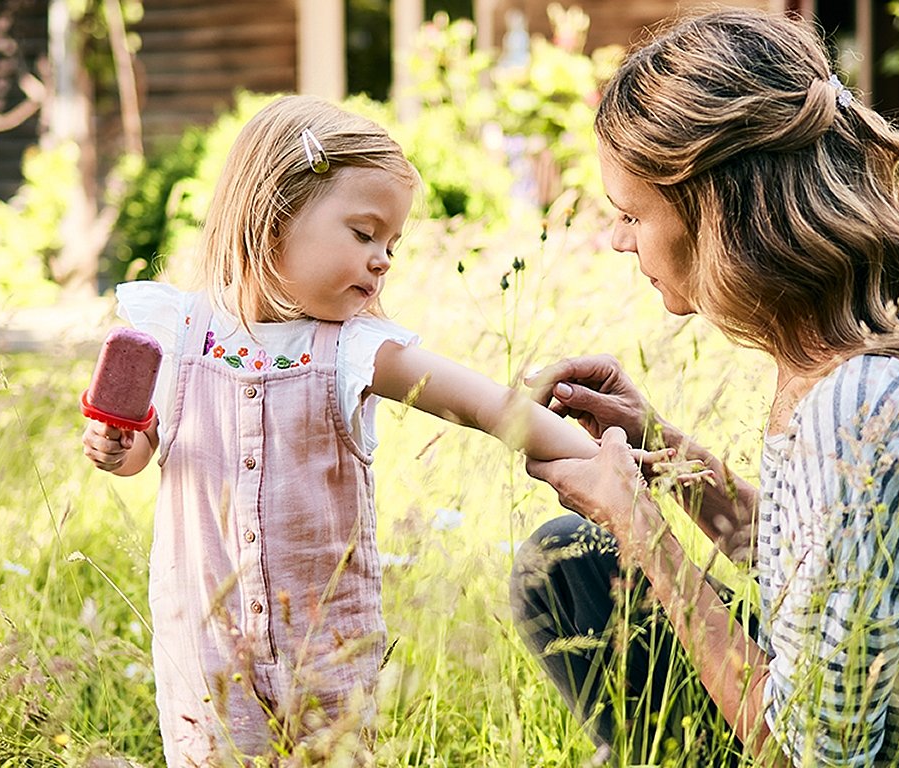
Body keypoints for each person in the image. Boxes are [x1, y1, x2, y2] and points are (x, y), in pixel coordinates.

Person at [510, 8, 899, 766]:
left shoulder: (856, 411)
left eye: (630, 214)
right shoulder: (876, 354)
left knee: (585, 559)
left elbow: (805, 754)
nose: (617, 240)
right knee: (573, 562)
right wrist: (670, 457)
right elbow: (822, 579)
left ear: (714, 209)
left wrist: (639, 530)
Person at [81, 95, 599, 765]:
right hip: (204, 653)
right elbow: (148, 448)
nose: (383, 259)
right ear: (272, 222)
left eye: (392, 243)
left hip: (328, 657)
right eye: (364, 234)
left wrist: (602, 459)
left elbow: (491, 409)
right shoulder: (177, 334)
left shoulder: (352, 351)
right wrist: (117, 445)